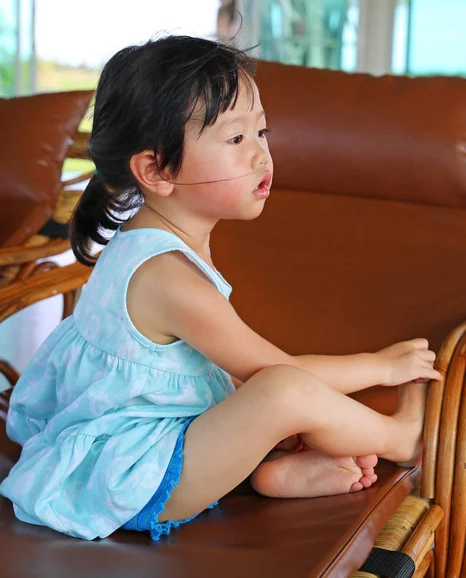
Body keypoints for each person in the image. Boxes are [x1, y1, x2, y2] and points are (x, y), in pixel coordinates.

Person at [0, 35, 442, 543]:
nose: (261, 155)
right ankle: (400, 440)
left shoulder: (152, 237)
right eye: (236, 140)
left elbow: (181, 378)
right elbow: (280, 374)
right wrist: (380, 364)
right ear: (158, 170)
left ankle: (268, 472)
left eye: (262, 130)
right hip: (133, 481)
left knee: (246, 391)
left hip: (149, 439)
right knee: (281, 391)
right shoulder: (167, 277)